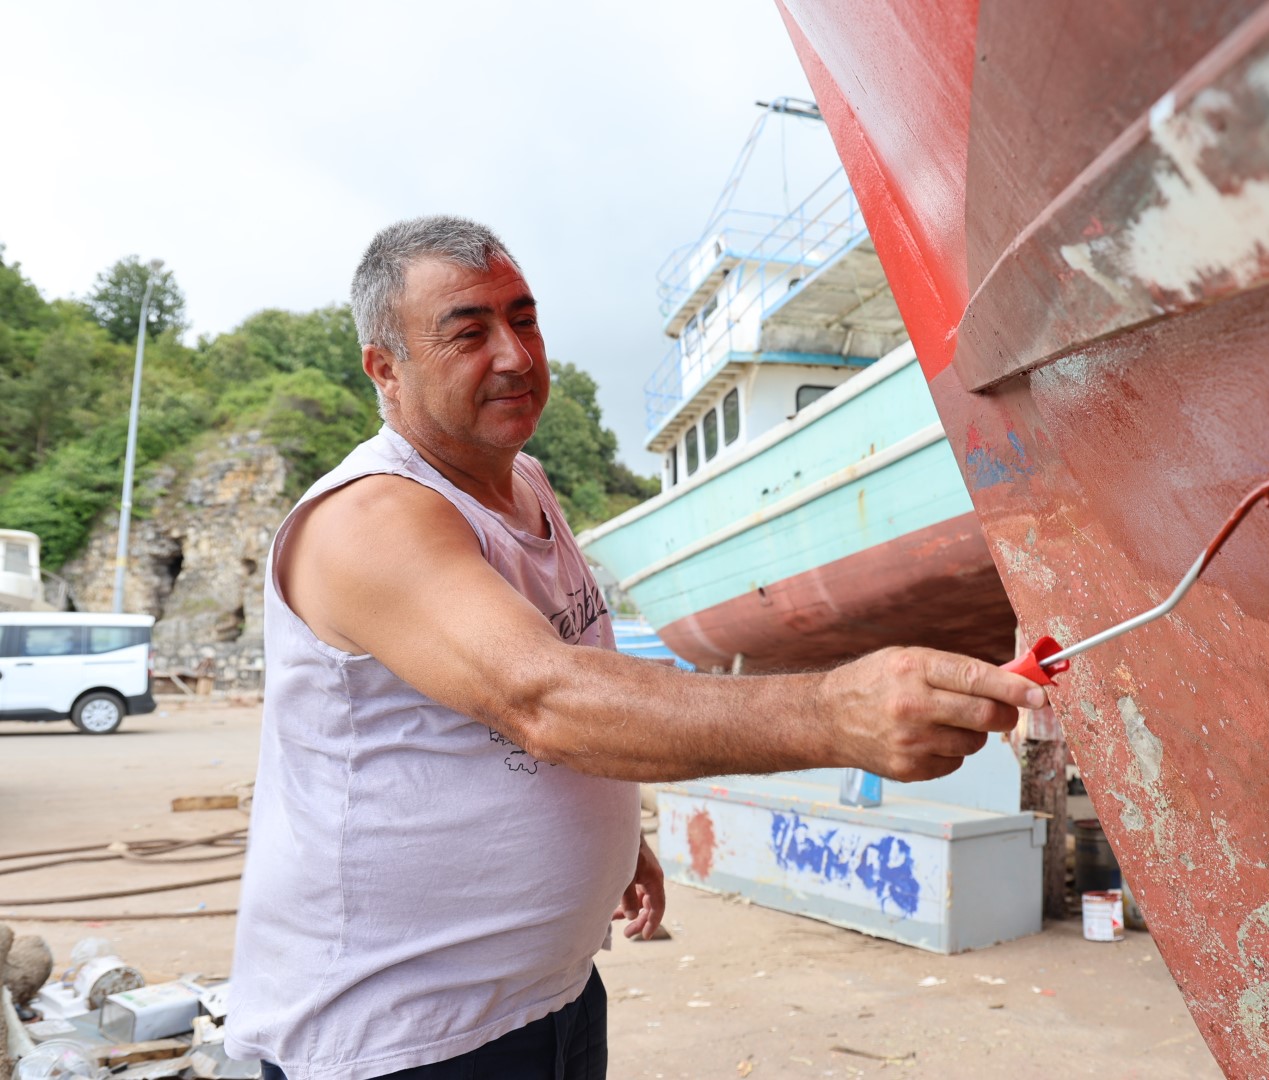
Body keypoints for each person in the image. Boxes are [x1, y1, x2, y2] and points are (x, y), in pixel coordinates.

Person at [224, 216, 1045, 1080]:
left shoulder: (527, 483)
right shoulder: (368, 521)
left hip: (554, 998)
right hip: (402, 1039)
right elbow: (544, 698)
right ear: (383, 366)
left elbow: (557, 688)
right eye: (469, 333)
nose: (514, 354)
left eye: (525, 318)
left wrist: (610, 836)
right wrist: (834, 713)